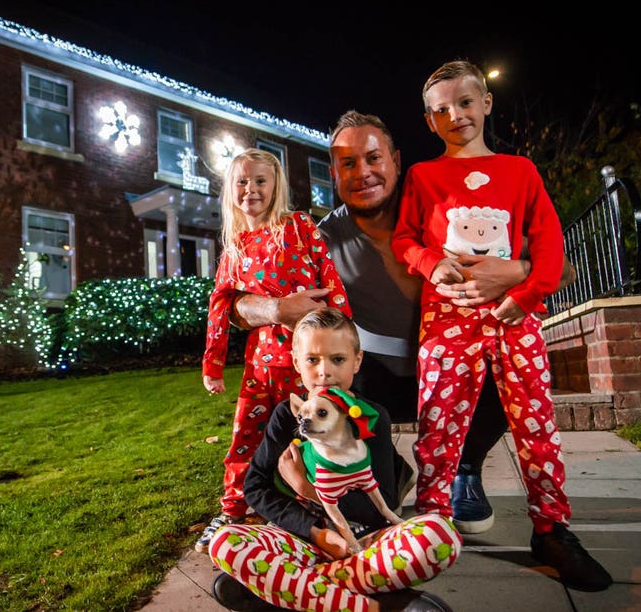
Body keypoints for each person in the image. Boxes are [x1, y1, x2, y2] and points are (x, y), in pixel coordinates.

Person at [233, 111, 531, 535]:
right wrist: (277, 309)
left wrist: (516, 270)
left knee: (505, 372)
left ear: (395, 159)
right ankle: (356, 478)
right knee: (328, 378)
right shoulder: (319, 237)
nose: (363, 173)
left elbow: (563, 268)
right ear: (334, 174)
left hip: (455, 365)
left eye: (373, 158)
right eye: (347, 163)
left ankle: (465, 468)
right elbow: (235, 304)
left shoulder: (450, 212)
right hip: (375, 374)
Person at [390, 59, 611, 591]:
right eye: (441, 109)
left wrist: (529, 292)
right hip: (447, 320)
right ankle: (430, 525)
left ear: (486, 103)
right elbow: (404, 240)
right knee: (438, 424)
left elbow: (550, 243)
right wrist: (429, 263)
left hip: (515, 316)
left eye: (465, 102)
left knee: (536, 425)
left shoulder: (521, 171)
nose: (455, 115)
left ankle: (551, 528)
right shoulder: (423, 176)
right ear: (429, 121)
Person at [209, 308, 460, 612]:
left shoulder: (373, 418)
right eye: (312, 359)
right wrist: (317, 532)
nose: (324, 371)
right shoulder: (288, 415)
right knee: (224, 542)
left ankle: (294, 590)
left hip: (364, 543)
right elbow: (255, 488)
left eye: (337, 359)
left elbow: (379, 506)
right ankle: (376, 605)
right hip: (298, 541)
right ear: (296, 362)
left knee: (440, 535)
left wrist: (306, 487)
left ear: (357, 361)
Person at [197, 148, 353, 554]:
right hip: (260, 367)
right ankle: (234, 512)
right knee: (245, 439)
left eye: (260, 180)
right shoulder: (234, 249)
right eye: (242, 182)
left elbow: (332, 283)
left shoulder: (299, 227)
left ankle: (319, 513)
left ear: (276, 186)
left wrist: (343, 349)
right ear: (230, 191)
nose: (251, 189)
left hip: (308, 365)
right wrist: (213, 364)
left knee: (310, 440)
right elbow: (220, 304)